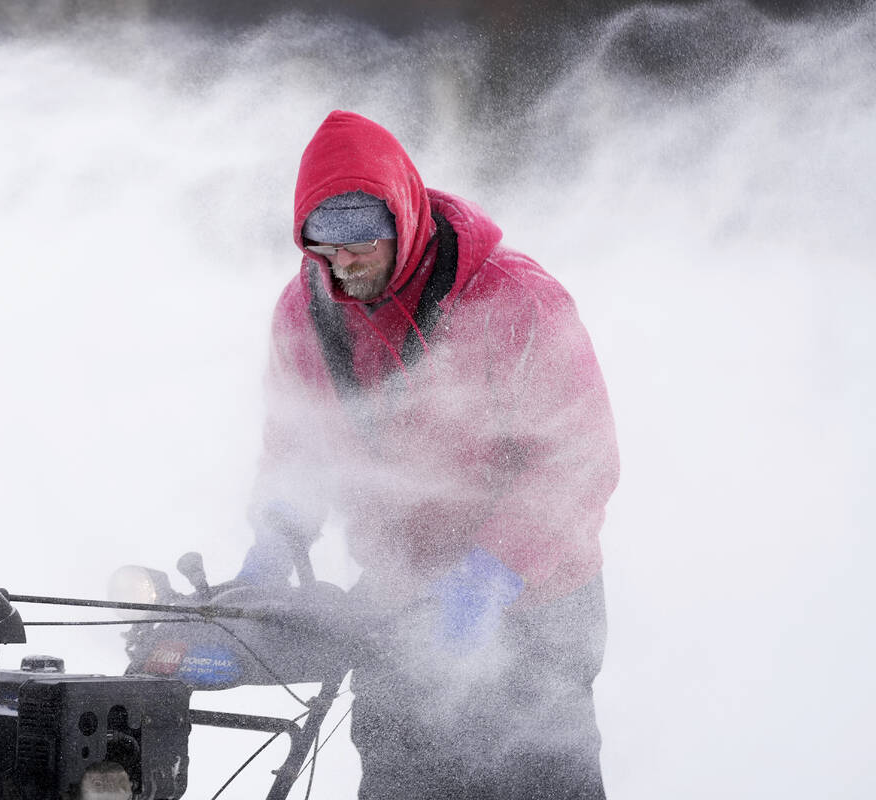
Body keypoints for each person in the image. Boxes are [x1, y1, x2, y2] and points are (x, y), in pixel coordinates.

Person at [236, 110, 619, 799]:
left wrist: (490, 575)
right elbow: (298, 445)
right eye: (323, 246)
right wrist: (275, 533)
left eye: (361, 244)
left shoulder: (514, 300)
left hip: (537, 605)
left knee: (535, 779)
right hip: (396, 603)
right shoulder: (305, 310)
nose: (342, 264)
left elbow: (577, 461)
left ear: (403, 222)